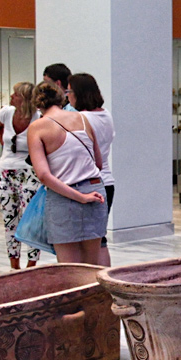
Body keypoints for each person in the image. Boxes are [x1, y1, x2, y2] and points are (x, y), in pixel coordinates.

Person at [26, 82, 106, 264]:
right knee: (92, 264)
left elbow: (44, 175)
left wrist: (79, 197)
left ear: (37, 104)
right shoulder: (82, 119)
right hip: (95, 189)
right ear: (61, 98)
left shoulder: (37, 127)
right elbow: (98, 163)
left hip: (64, 194)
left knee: (69, 267)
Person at [0, 81, 41, 269]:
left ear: (25, 99)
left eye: (16, 94)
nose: (12, 97)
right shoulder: (6, 113)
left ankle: (31, 263)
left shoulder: (37, 118)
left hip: (29, 170)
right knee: (9, 217)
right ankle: (14, 264)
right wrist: (4, 144)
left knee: (30, 217)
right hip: (6, 169)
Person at [68, 73, 115, 265]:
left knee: (87, 243)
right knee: (100, 238)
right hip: (107, 181)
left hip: (89, 181)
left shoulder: (82, 118)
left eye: (69, 92)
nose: (68, 96)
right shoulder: (105, 114)